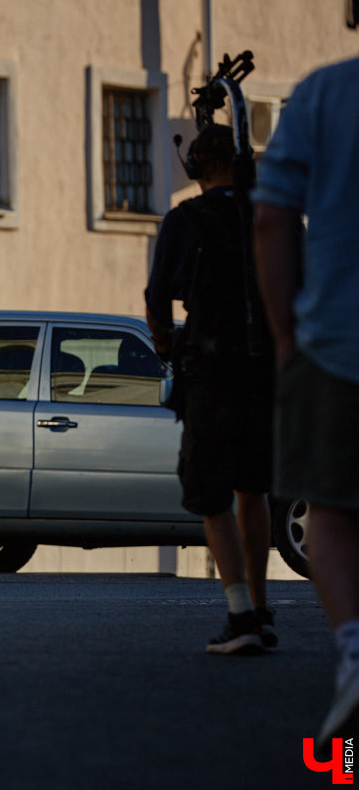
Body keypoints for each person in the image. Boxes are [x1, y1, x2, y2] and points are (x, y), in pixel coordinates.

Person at [252, 56, 359, 749]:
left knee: (331, 510)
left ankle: (354, 651)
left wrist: (286, 336)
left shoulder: (323, 95)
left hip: (336, 344)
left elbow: (270, 220)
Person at [145, 123, 276, 655]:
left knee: (211, 495)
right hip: (265, 374)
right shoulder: (268, 216)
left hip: (211, 375)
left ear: (196, 167)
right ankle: (263, 608)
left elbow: (157, 299)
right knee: (255, 489)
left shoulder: (185, 220)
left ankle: (240, 614)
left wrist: (166, 342)